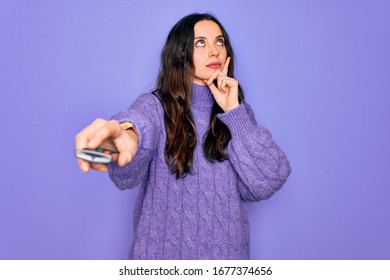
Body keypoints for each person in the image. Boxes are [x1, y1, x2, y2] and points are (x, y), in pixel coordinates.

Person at [75, 13, 291, 260]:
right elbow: (141, 124)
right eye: (201, 43)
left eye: (219, 42)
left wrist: (234, 112)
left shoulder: (238, 115)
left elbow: (267, 182)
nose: (214, 52)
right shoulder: (156, 106)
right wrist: (127, 135)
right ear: (180, 52)